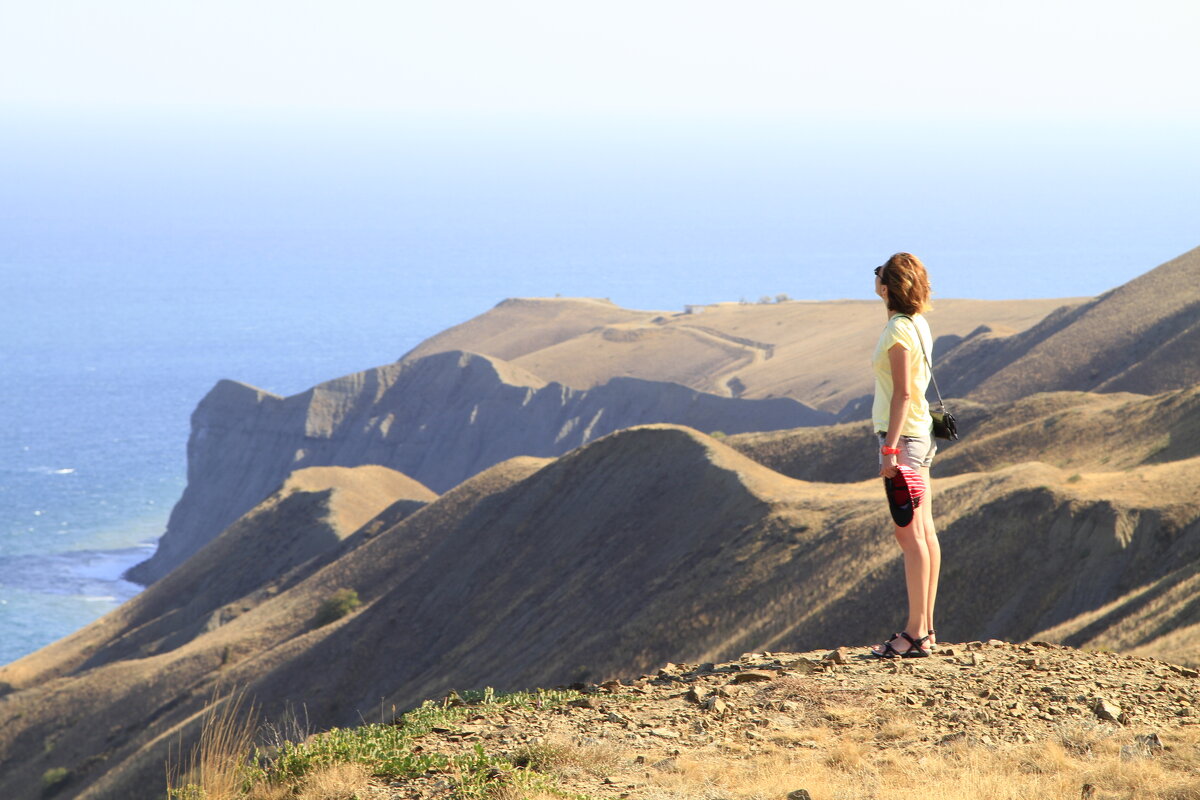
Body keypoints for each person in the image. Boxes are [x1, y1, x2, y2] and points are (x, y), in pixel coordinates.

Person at [868, 253, 940, 658]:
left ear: (887, 285)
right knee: (925, 533)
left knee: (909, 535)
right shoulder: (918, 323)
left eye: (878, 270)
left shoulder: (898, 330)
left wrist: (890, 449)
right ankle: (926, 629)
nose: (874, 275)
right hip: (921, 433)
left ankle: (914, 634)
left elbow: (904, 393)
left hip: (905, 439)